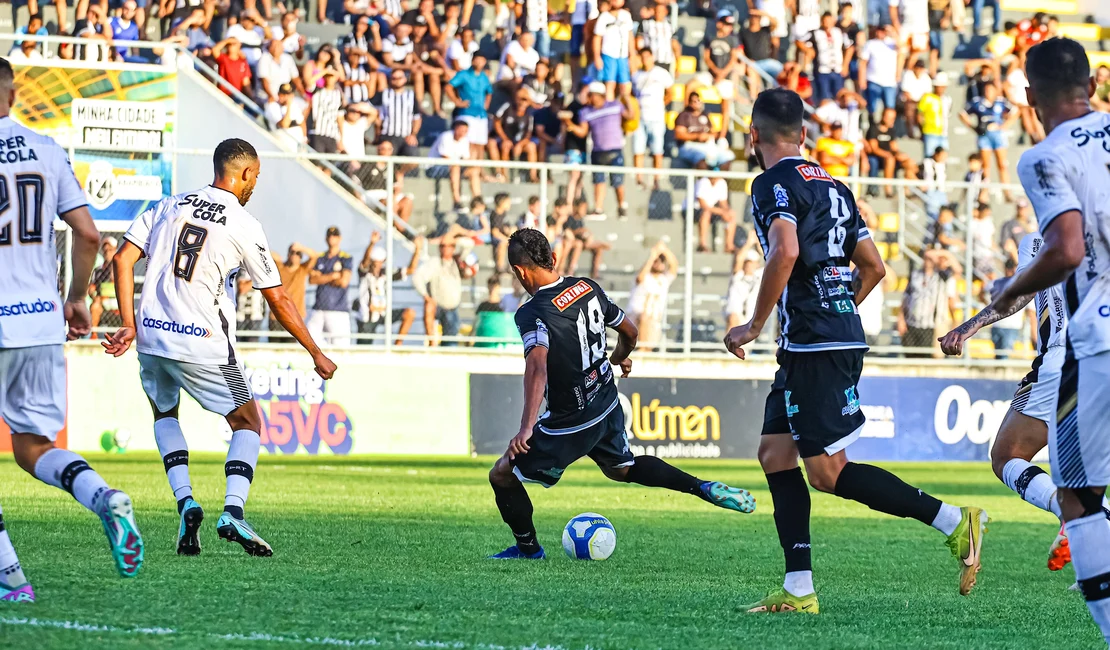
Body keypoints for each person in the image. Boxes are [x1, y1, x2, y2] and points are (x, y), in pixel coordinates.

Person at [727, 88, 985, 614]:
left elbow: (785, 249)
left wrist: (754, 324)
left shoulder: (770, 183)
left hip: (813, 342)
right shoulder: (835, 185)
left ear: (753, 136)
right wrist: (839, 308)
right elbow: (874, 266)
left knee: (827, 473)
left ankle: (954, 521)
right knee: (775, 454)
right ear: (804, 134)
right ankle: (798, 588)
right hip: (827, 335)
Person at [106, 138, 337, 559]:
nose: (255, 184)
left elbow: (122, 259)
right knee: (248, 422)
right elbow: (277, 297)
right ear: (245, 173)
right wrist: (315, 351)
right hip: (205, 344)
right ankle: (233, 511)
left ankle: (186, 503)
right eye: (256, 176)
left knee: (164, 414)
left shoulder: (169, 204)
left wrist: (128, 323)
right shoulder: (243, 223)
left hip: (152, 338)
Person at [486, 228, 756, 560]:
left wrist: (527, 427)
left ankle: (528, 550)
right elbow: (629, 330)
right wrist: (618, 357)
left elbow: (537, 367)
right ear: (553, 258)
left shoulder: (531, 312)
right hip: (606, 402)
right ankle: (701, 487)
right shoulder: (587, 287)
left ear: (519, 271)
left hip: (570, 420)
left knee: (502, 473)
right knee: (621, 468)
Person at [0, 58, 144, 600]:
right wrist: (77, 298)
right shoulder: (47, 149)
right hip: (38, 321)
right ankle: (103, 497)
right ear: (12, 94)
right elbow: (86, 234)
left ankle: (12, 580)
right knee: (32, 447)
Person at [987, 38, 1110, 641]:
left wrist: (1007, 292)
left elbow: (1065, 249)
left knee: (1078, 498)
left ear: (1029, 95)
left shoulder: (1045, 156)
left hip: (1098, 339)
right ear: (1094, 84)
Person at [562, 81, 632, 220]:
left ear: (600, 95)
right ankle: (599, 209)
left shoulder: (615, 105)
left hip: (615, 150)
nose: (590, 98)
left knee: (618, 182)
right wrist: (569, 124)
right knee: (598, 181)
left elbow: (630, 115)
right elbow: (583, 132)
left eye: (592, 95)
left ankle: (621, 207)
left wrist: (626, 97)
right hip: (598, 152)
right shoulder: (585, 112)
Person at [356, 231, 421, 345]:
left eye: (379, 262)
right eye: (374, 262)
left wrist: (418, 249)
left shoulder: (385, 273)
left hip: (383, 313)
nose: (377, 265)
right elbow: (364, 263)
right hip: (368, 317)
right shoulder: (365, 273)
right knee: (364, 346)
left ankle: (397, 345)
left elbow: (410, 270)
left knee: (409, 313)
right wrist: (372, 243)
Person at [959, 82, 1017, 199]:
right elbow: (962, 113)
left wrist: (1004, 125)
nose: (988, 93)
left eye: (990, 90)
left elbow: (1015, 111)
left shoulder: (1000, 102)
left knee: (1002, 164)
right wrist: (973, 127)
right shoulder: (978, 103)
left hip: (998, 135)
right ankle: (984, 191)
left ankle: (1007, 191)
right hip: (984, 135)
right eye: (986, 90)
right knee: (985, 165)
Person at [630, 47, 672, 189]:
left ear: (652, 57)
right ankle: (639, 179)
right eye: (642, 57)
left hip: (656, 117)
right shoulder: (636, 75)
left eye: (647, 56)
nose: (645, 60)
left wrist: (660, 104)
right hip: (640, 118)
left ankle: (656, 179)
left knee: (657, 149)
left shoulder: (661, 73)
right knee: (638, 149)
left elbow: (670, 92)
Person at [626, 241, 678, 350]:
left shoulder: (664, 280)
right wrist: (652, 256)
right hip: (636, 317)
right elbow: (640, 277)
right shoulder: (645, 276)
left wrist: (664, 250)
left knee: (648, 348)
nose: (659, 263)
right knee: (644, 319)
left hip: (654, 319)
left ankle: (643, 352)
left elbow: (674, 266)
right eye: (656, 261)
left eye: (661, 261)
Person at [308, 226, 354, 346]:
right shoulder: (320, 257)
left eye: (335, 235)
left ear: (340, 238)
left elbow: (344, 281)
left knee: (340, 346)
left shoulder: (345, 258)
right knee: (309, 343)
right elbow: (312, 279)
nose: (332, 238)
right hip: (319, 308)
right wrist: (333, 276)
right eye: (329, 235)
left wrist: (322, 278)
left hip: (338, 309)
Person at [414, 238, 465, 345]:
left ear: (454, 248)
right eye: (442, 246)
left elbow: (469, 244)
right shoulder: (435, 262)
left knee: (450, 345)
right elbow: (417, 277)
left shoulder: (457, 261)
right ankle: (431, 342)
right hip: (438, 307)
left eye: (449, 246)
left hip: (452, 308)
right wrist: (426, 296)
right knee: (428, 307)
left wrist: (452, 236)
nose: (445, 248)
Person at [675, 91, 735, 170]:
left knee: (727, 156)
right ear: (690, 103)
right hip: (689, 146)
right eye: (694, 101)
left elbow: (713, 132)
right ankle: (703, 177)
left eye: (698, 101)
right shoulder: (684, 115)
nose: (697, 103)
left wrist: (710, 136)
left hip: (706, 145)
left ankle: (719, 177)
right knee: (701, 157)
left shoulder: (705, 115)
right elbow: (679, 135)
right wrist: (697, 136)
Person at [427, 120, 480, 209]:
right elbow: (445, 157)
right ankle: (456, 201)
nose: (464, 133)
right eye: (462, 130)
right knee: (455, 167)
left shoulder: (465, 140)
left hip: (454, 168)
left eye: (466, 131)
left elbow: (465, 159)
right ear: (456, 129)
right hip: (434, 168)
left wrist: (473, 155)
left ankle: (478, 201)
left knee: (474, 171)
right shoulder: (446, 136)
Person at [592, 0, 634, 101]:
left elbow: (630, 35)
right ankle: (610, 105)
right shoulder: (604, 17)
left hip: (623, 55)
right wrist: (596, 56)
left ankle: (623, 105)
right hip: (609, 54)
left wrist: (632, 54)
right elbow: (597, 38)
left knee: (625, 84)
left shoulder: (626, 15)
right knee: (610, 83)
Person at [917, 71, 951, 156]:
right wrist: (922, 130)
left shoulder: (947, 99)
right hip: (930, 131)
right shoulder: (927, 98)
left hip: (943, 133)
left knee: (943, 157)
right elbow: (919, 115)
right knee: (929, 156)